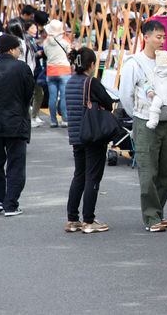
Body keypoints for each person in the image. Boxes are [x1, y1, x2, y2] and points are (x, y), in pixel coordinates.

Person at [119, 20, 167, 232]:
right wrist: (138, 114)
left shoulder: (165, 61)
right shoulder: (134, 63)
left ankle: (158, 212)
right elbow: (126, 94)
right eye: (158, 37)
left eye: (163, 37)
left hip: (166, 120)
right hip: (145, 120)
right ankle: (151, 217)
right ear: (146, 37)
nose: (162, 41)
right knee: (148, 170)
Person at [0, 34, 35, 216]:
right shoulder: (22, 68)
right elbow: (29, 94)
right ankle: (11, 203)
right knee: (15, 163)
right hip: (16, 120)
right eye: (19, 49)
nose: (20, 52)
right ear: (12, 49)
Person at [64, 47, 115, 233]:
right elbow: (109, 103)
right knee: (93, 176)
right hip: (93, 135)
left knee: (79, 175)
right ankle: (89, 221)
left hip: (76, 135)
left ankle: (72, 220)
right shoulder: (91, 82)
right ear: (91, 64)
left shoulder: (70, 82)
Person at [43, 19, 72, 128]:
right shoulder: (65, 40)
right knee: (64, 97)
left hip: (50, 71)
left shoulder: (46, 41)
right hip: (64, 70)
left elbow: (46, 53)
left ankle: (53, 120)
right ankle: (64, 120)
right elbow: (70, 53)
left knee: (52, 97)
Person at [25, 21, 45, 128]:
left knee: (39, 93)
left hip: (36, 70)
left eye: (36, 28)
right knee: (31, 94)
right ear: (27, 29)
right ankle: (30, 117)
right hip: (31, 70)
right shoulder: (26, 40)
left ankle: (34, 115)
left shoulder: (33, 40)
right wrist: (38, 54)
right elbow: (30, 55)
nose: (35, 30)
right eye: (33, 28)